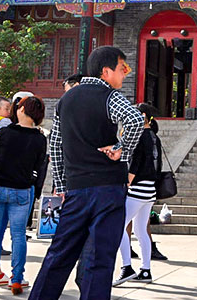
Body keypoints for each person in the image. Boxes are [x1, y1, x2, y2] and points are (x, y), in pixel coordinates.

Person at [30, 46, 144, 300]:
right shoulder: (109, 96)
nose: (124, 75)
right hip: (108, 189)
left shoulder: (65, 100)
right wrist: (122, 149)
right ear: (106, 71)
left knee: (59, 254)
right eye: (122, 69)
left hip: (76, 190)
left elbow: (56, 145)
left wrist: (61, 184)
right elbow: (136, 120)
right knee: (99, 259)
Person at [0, 96, 48, 295]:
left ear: (22, 109)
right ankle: (16, 279)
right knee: (18, 236)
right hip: (22, 189)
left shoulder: (4, 132)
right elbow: (38, 165)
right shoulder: (40, 138)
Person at [113, 103, 162, 286]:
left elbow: (136, 163)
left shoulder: (140, 136)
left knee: (119, 225)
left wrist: (127, 182)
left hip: (138, 188)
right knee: (141, 230)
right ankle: (146, 270)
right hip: (150, 190)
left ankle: (127, 267)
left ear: (142, 116)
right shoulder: (154, 137)